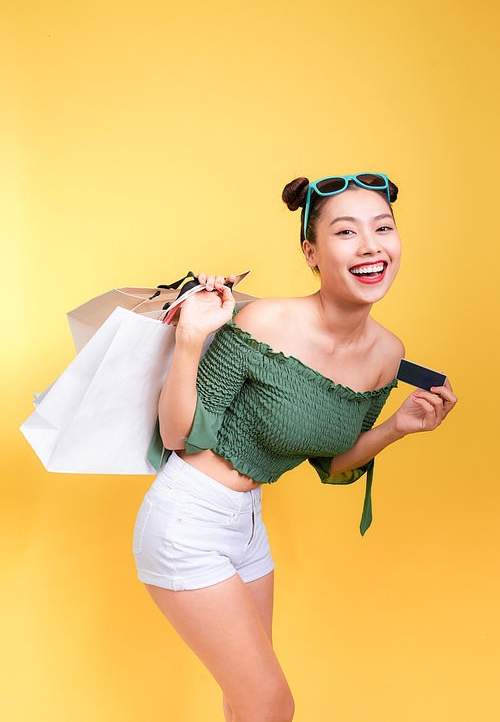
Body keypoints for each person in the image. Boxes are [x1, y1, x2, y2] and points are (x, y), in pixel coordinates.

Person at [133, 173, 457, 722]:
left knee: (247, 705)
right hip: (187, 519)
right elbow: (176, 436)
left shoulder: (386, 354)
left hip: (248, 526)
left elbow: (332, 461)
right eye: (346, 232)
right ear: (311, 251)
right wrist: (191, 337)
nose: (371, 245)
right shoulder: (264, 322)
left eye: (383, 228)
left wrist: (397, 427)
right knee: (269, 705)